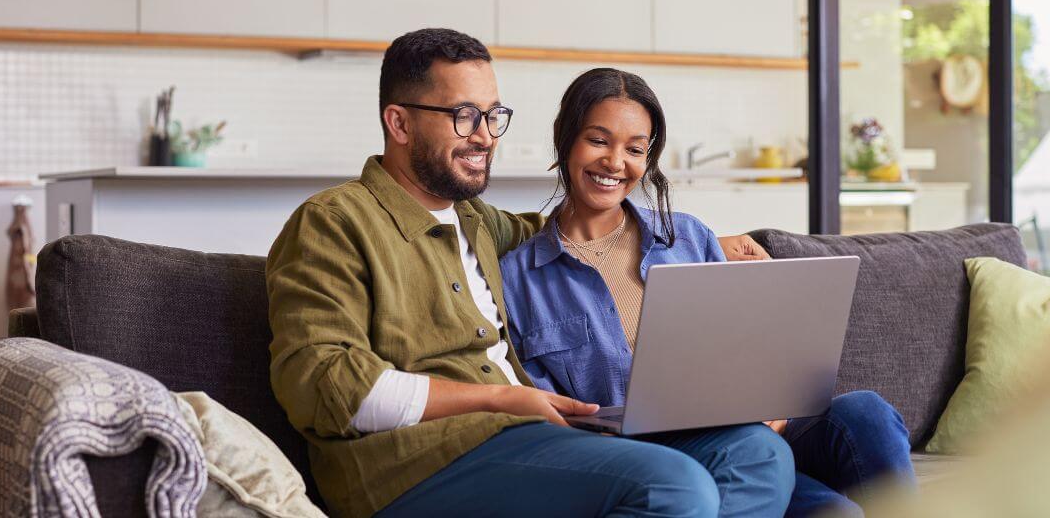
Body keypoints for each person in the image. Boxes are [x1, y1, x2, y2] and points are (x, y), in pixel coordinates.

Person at [267, 28, 795, 518]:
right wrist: (498, 396)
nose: (485, 136)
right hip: (413, 464)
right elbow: (322, 385)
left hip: (527, 439)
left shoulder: (478, 223)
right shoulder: (334, 221)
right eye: (463, 115)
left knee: (759, 455)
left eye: (493, 116)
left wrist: (698, 242)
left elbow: (574, 230)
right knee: (674, 485)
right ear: (399, 122)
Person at [499, 67, 917, 517]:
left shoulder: (690, 239)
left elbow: (746, 347)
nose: (615, 163)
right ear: (565, 138)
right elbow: (552, 421)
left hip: (757, 429)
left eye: (635, 149)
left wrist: (772, 398)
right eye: (598, 141)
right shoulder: (520, 278)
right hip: (660, 455)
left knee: (867, 413)